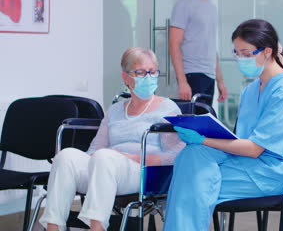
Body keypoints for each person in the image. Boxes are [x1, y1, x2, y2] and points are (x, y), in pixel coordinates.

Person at [163, 19, 283, 231]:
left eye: (246, 54)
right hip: (250, 164)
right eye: (236, 53)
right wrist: (201, 139)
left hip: (279, 171)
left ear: (267, 51)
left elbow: (254, 149)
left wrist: (205, 138)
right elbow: (241, 142)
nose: (240, 59)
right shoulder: (251, 91)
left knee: (192, 182)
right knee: (192, 154)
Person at [40, 48, 185, 231]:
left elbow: (174, 156)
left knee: (104, 157)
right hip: (106, 167)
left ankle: (97, 227)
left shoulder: (167, 108)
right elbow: (95, 149)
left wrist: (127, 157)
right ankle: (53, 227)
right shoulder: (116, 110)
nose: (148, 77)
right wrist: (94, 161)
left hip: (143, 172)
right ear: (126, 77)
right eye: (140, 72)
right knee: (66, 156)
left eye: (152, 71)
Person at [169, 0, 228, 105]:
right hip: (192, 74)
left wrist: (220, 81)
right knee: (193, 123)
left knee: (205, 121)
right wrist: (182, 81)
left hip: (209, 75)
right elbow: (174, 44)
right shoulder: (184, 4)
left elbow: (212, 47)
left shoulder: (212, 8)